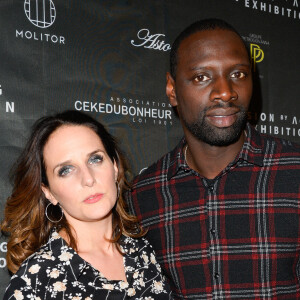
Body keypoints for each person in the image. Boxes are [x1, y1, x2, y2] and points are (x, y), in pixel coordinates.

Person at [127, 18, 300, 299]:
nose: (225, 92)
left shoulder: (294, 172)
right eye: (202, 77)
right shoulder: (142, 197)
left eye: (238, 74)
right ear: (172, 90)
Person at [1, 110, 172, 299]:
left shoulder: (143, 252)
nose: (88, 179)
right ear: (48, 192)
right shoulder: (34, 280)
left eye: (95, 159)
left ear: (115, 166)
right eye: (66, 170)